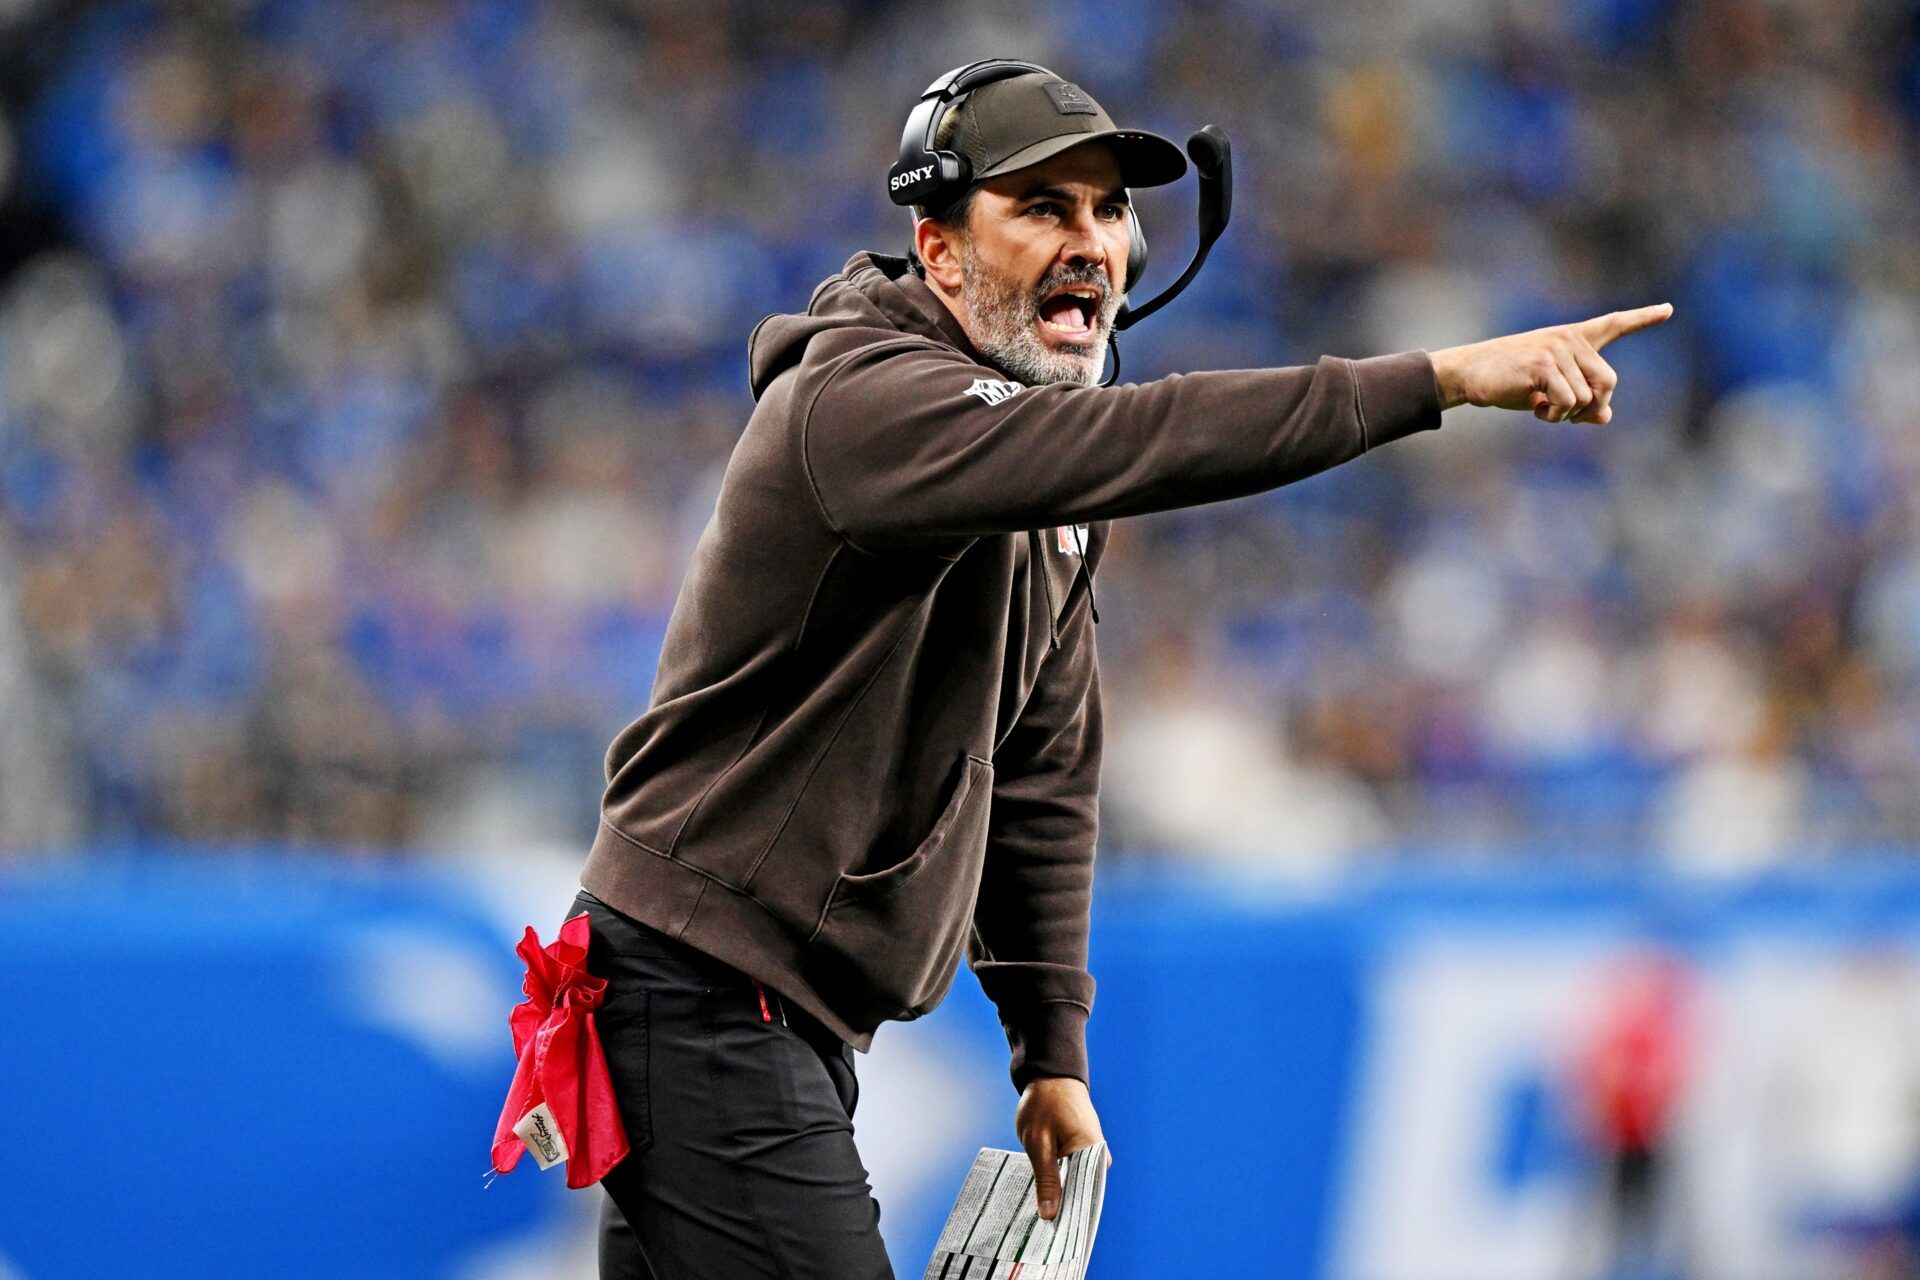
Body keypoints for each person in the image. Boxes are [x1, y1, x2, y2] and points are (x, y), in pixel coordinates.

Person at [563, 60, 1672, 1279]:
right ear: (939, 250)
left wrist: (1051, 1050)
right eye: (1043, 207)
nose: (1091, 240)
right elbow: (1149, 438)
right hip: (703, 983)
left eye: (1106, 210)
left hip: (750, 998)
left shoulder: (1038, 469)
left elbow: (1041, 770)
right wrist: (1440, 379)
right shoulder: (863, 403)